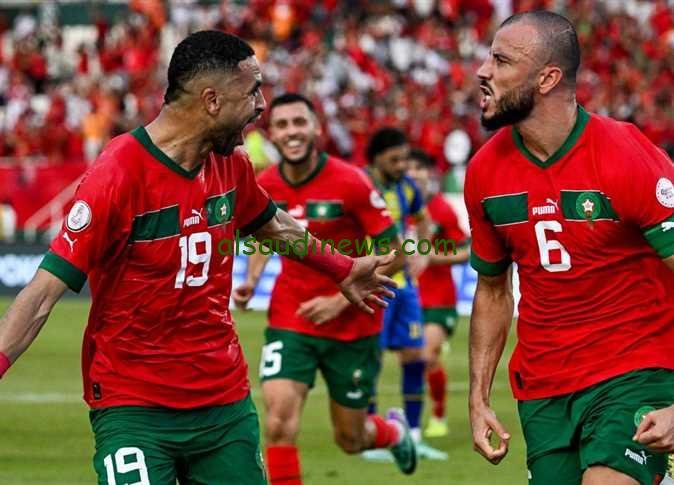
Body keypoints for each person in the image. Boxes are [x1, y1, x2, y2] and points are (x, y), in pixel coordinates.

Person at [0, 31, 396, 484]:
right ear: (212, 101)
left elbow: (271, 223)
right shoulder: (118, 174)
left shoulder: (229, 162)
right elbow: (42, 293)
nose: (262, 105)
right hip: (134, 407)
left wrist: (342, 268)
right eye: (252, 92)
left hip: (223, 402)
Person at [466, 11, 674, 485]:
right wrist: (477, 400)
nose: (483, 71)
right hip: (544, 388)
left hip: (635, 371)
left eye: (501, 60)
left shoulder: (626, 154)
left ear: (547, 78)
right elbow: (494, 292)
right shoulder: (484, 172)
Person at [233, 92, 417, 483]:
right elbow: (268, 236)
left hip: (353, 325)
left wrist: (338, 301)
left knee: (351, 438)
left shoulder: (351, 181)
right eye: (282, 125)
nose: (291, 132)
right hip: (291, 319)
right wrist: (250, 279)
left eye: (299, 122)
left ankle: (392, 433)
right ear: (272, 134)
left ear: (316, 128)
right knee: (279, 422)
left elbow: (396, 254)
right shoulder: (263, 184)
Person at [362, 127, 447, 461]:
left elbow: (426, 222)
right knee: (372, 358)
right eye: (394, 159)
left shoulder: (406, 187)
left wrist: (422, 252)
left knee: (415, 356)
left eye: (404, 159)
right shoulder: (360, 184)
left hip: (404, 285)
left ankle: (412, 435)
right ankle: (369, 433)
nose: (402, 165)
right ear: (376, 158)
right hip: (371, 283)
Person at [406, 148, 469, 438]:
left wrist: (432, 257)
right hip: (408, 298)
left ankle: (439, 416)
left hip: (440, 299)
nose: (414, 174)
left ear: (428, 174)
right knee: (413, 360)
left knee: (427, 355)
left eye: (420, 168)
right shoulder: (397, 208)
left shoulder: (442, 209)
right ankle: (412, 422)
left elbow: (466, 251)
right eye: (410, 168)